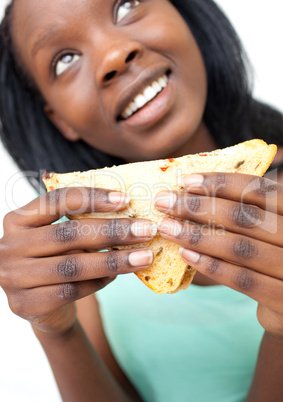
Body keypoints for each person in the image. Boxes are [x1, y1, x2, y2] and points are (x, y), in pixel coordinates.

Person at [0, 0, 283, 401]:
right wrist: (56, 330)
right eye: (64, 60)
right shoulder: (76, 253)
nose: (114, 56)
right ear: (59, 118)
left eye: (126, 5)